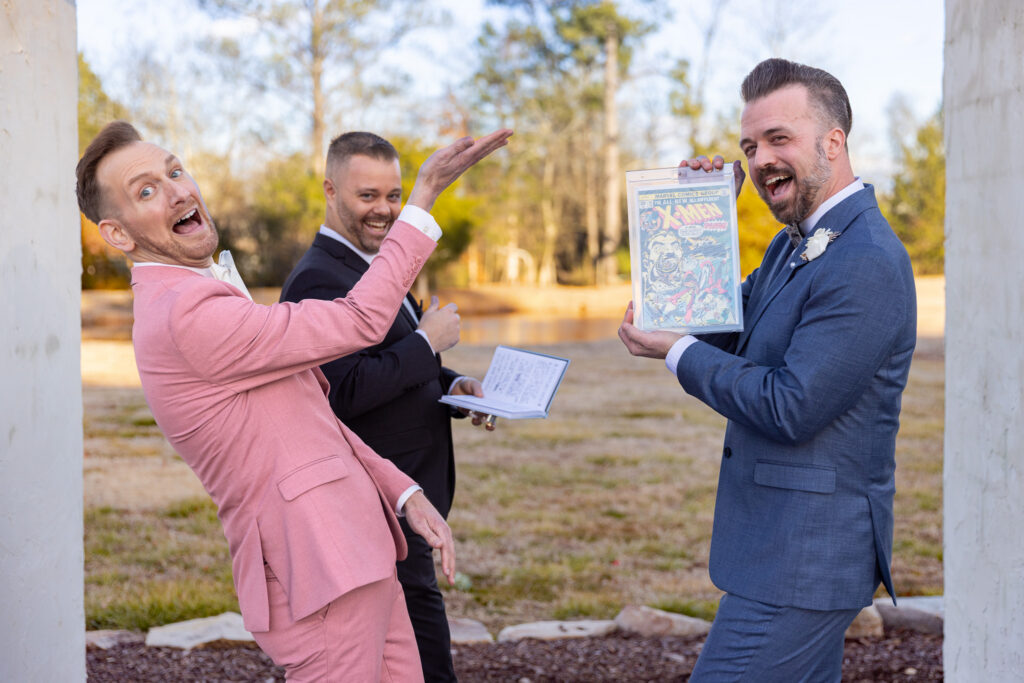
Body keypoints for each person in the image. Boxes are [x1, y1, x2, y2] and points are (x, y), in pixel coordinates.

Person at [76, 120, 512, 682]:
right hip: (317, 568)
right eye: (146, 190)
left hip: (361, 550)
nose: (179, 190)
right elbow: (359, 320)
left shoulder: (203, 293)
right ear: (118, 234)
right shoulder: (185, 314)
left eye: (175, 171)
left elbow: (312, 418)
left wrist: (403, 493)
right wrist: (423, 197)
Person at [619, 58, 916, 682]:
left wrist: (674, 351)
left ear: (832, 141)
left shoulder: (866, 258)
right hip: (779, 551)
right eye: (750, 146)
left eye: (778, 139)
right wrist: (700, 219)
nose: (759, 161)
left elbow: (790, 406)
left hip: (806, 558)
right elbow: (731, 334)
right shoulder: (790, 243)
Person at [280, 132, 492, 682]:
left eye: (394, 196)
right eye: (367, 196)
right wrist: (428, 343)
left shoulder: (381, 264)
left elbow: (389, 363)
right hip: (373, 503)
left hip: (408, 495)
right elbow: (341, 391)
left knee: (411, 646)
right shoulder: (319, 277)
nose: (385, 210)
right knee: (417, 653)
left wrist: (453, 383)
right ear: (330, 191)